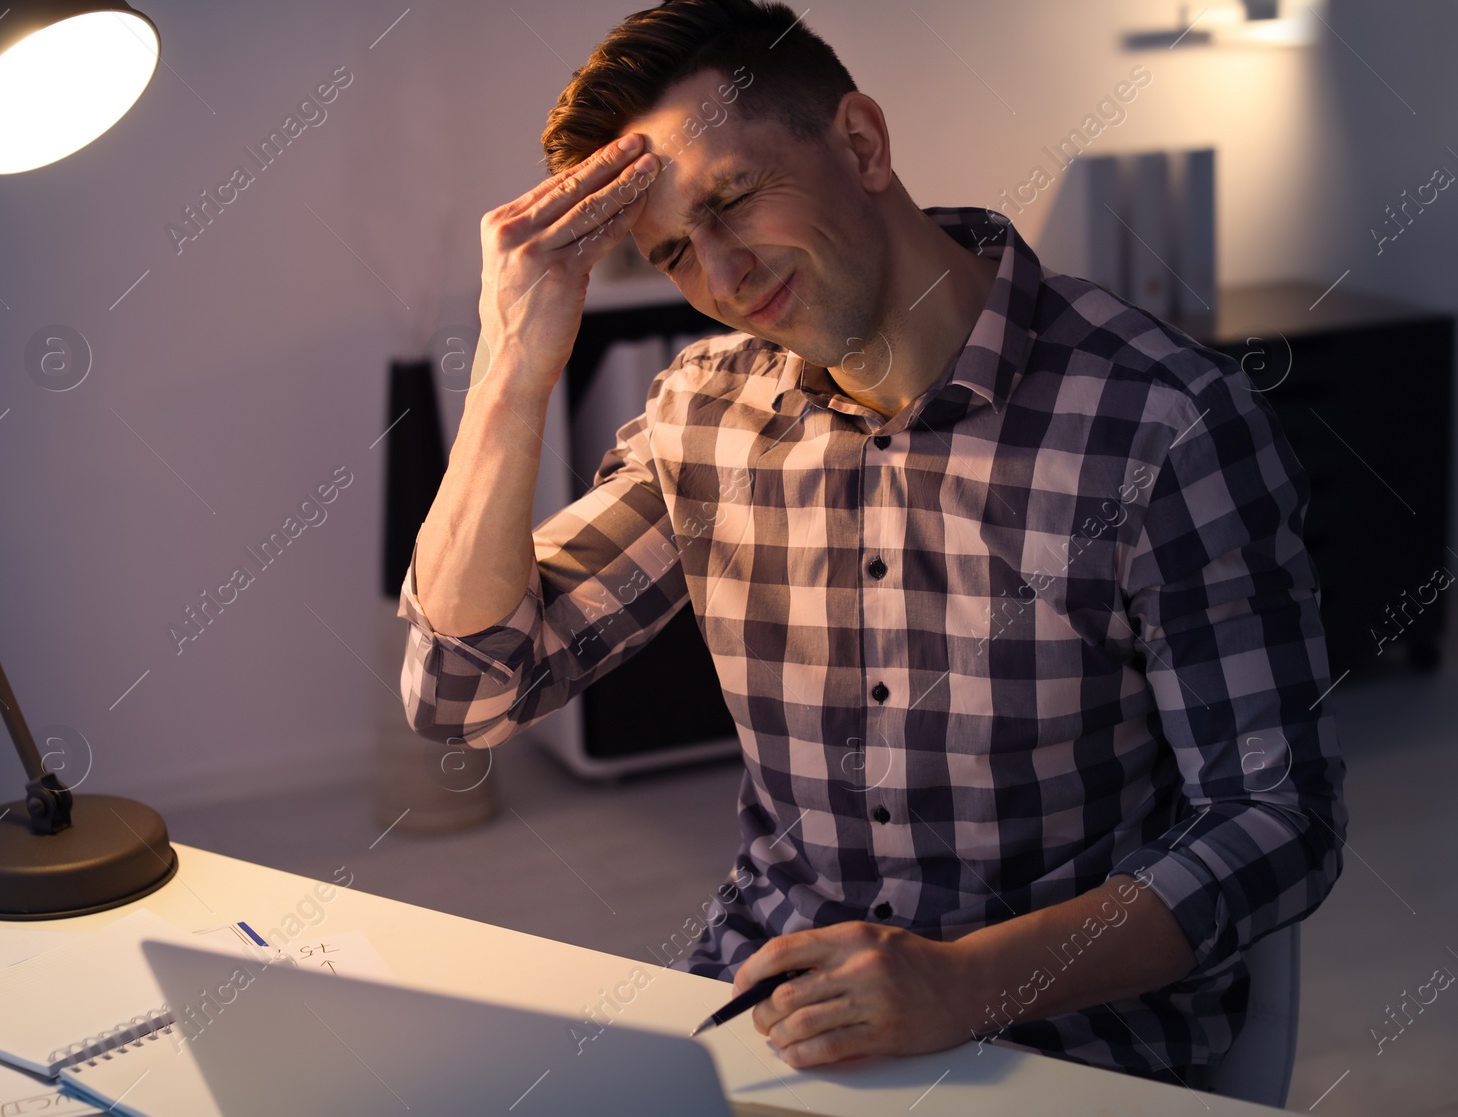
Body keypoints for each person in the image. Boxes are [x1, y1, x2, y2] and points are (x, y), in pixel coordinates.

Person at [396, 0, 1346, 1091]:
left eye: (732, 198)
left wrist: (962, 984)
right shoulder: (701, 414)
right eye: (671, 252)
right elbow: (460, 690)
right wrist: (515, 356)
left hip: (1072, 1044)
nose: (722, 277)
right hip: (775, 1021)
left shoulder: (1164, 423)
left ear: (859, 143)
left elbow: (1277, 821)